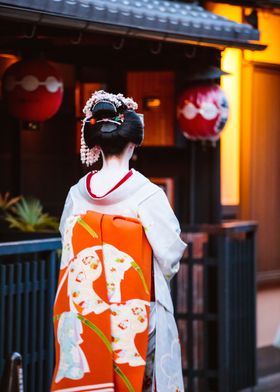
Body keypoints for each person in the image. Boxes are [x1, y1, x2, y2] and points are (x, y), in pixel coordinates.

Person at [51, 90, 187, 392]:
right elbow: (169, 255)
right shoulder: (147, 194)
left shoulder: (77, 193)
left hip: (85, 312)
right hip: (137, 312)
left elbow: (69, 247)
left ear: (96, 141)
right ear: (134, 141)